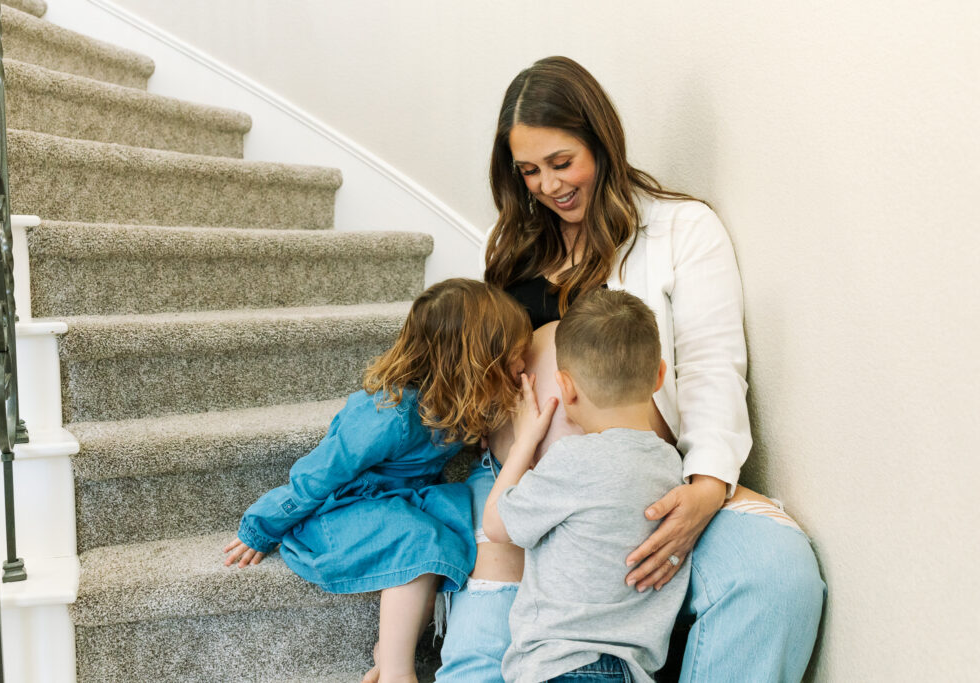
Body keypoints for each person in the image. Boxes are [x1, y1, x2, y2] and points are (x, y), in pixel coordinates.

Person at [435, 56, 825, 682]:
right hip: (523, 488)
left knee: (776, 575)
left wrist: (705, 486)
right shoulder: (505, 245)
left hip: (645, 487)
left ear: (603, 141)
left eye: (563, 163)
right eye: (529, 171)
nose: (548, 186)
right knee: (484, 661)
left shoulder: (681, 230)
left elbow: (709, 367)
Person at [223, 278, 532, 683]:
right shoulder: (389, 415)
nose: (523, 366)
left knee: (452, 529)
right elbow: (320, 473)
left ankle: (390, 652)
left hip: (399, 501)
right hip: (340, 510)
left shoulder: (457, 405)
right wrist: (262, 526)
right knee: (420, 539)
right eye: (514, 358)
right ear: (473, 366)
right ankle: (397, 675)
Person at [483, 288, 689, 683]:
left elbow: (496, 525)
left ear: (565, 387)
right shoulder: (672, 466)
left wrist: (525, 439)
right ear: (660, 375)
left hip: (561, 666)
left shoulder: (571, 460)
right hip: (634, 671)